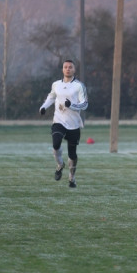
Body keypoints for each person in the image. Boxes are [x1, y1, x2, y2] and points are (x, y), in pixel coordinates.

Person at [38, 59, 88, 188]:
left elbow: (85, 104)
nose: (68, 69)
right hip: (59, 120)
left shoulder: (79, 86)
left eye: (70, 67)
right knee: (56, 143)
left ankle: (72, 177)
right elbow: (51, 97)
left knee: (72, 154)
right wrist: (43, 107)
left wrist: (72, 105)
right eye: (65, 67)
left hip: (74, 124)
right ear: (62, 69)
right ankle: (60, 164)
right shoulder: (56, 84)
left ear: (74, 70)